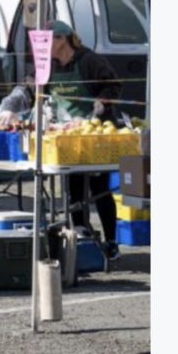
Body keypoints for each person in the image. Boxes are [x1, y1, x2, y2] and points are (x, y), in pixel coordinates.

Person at [47, 20, 123, 259]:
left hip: (95, 134)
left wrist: (99, 106)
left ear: (62, 39)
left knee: (100, 189)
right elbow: (33, 89)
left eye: (49, 40)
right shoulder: (48, 65)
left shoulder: (89, 60)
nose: (46, 46)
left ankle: (111, 242)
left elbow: (114, 86)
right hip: (67, 135)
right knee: (74, 188)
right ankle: (82, 237)